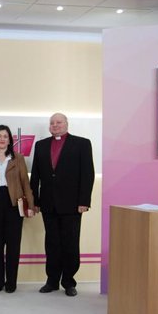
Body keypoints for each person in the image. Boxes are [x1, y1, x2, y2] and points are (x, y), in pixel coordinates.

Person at [30, 113, 94, 297]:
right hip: (48, 204)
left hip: (73, 205)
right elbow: (35, 176)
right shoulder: (40, 145)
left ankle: (69, 282)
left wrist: (84, 201)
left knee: (70, 244)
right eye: (52, 123)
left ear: (67, 124)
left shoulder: (82, 144)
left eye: (59, 122)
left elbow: (87, 174)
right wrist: (34, 201)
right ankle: (51, 281)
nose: (55, 125)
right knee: (51, 244)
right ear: (49, 127)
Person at [0, 125, 34, 293]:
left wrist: (30, 206)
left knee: (13, 245)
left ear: (10, 140)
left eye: (5, 136)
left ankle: (11, 283)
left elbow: (26, 183)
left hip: (14, 204)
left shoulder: (18, 158)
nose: (2, 139)